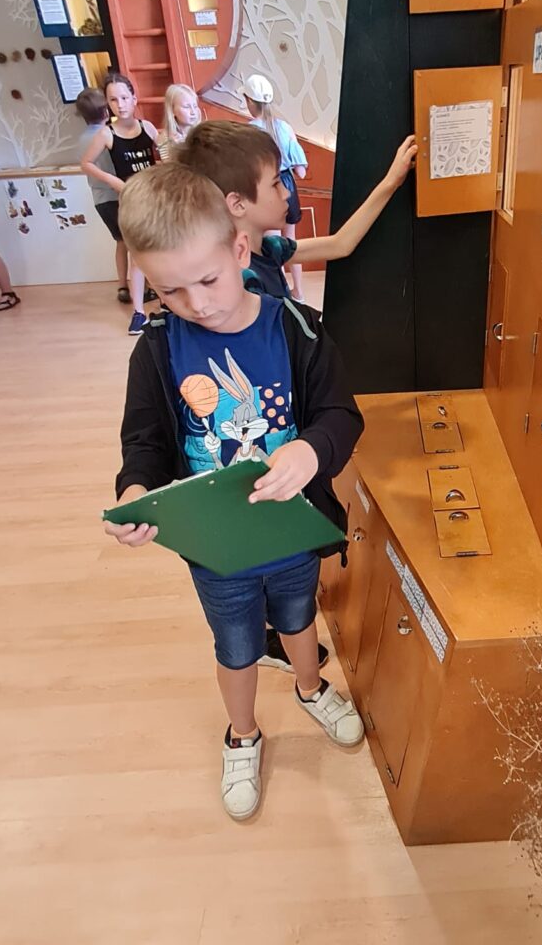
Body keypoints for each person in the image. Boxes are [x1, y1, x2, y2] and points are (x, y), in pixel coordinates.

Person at [104, 163, 365, 820]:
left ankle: (310, 687)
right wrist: (135, 490)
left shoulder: (297, 327)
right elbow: (143, 442)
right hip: (217, 546)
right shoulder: (157, 350)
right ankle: (242, 734)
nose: (196, 304)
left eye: (208, 280)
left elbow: (341, 416)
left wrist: (309, 450)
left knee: (298, 617)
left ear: (240, 251)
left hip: (292, 528)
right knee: (237, 645)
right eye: (169, 290)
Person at [177, 121, 417, 302]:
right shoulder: (243, 282)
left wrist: (391, 181)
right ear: (237, 204)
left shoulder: (269, 249)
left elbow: (340, 244)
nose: (286, 193)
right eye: (275, 184)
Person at [80, 72, 159, 336]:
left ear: (134, 98)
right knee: (136, 256)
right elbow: (86, 163)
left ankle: (167, 302)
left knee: (160, 251)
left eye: (124, 98)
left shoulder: (148, 128)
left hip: (154, 199)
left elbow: (166, 153)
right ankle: (138, 312)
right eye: (114, 100)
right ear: (108, 104)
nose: (120, 104)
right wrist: (113, 181)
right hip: (131, 202)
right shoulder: (107, 133)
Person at [241, 75, 308, 302]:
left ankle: (281, 294)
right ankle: (299, 292)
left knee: (272, 247)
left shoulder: (249, 131)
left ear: (249, 101)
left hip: (268, 188)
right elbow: (301, 171)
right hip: (289, 186)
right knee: (292, 243)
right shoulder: (285, 127)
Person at [76, 87, 130, 304]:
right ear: (107, 110)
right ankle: (143, 286)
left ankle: (123, 285)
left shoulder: (82, 139)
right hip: (118, 197)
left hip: (100, 200)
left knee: (121, 242)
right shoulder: (107, 136)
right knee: (135, 243)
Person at [156, 84, 202, 161]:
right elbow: (169, 166)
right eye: (186, 107)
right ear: (172, 110)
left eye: (195, 106)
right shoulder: (164, 138)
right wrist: (177, 149)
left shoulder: (203, 132)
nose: (193, 112)